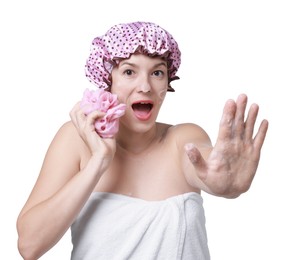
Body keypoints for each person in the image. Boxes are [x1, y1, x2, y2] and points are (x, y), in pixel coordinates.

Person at [16, 21, 269, 260]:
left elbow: (207, 169)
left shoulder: (183, 138)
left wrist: (225, 185)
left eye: (157, 72)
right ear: (108, 81)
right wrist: (98, 162)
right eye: (129, 71)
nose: (145, 86)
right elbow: (30, 245)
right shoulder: (76, 140)